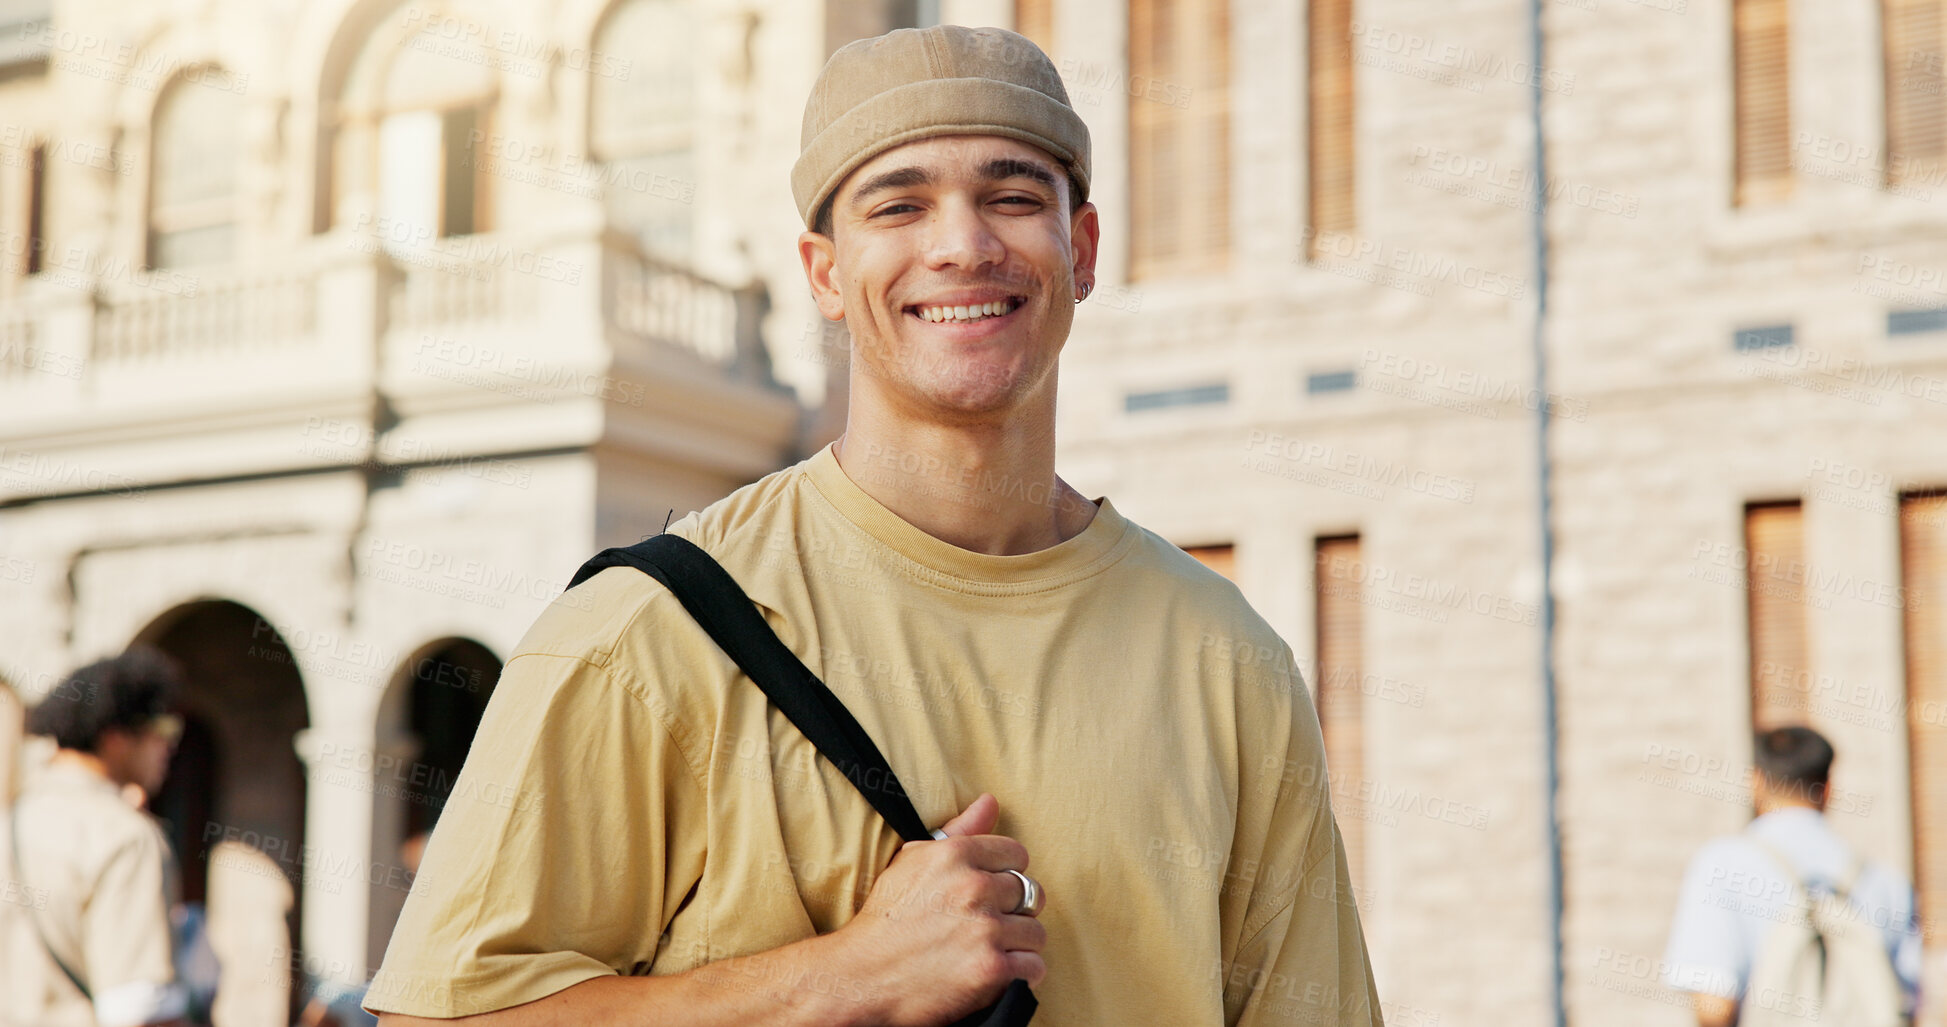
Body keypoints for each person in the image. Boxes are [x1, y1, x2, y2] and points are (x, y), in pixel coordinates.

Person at [367, 24, 1379, 1026]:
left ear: (1081, 248)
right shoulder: (641, 638)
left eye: (1013, 197)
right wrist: (843, 978)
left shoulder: (1226, 658)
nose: (962, 245)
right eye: (899, 205)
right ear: (824, 273)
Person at [1662, 726, 1923, 1025]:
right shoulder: (1886, 882)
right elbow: (1906, 1005)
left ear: (1756, 783)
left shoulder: (1720, 866)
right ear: (1827, 789)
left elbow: (1714, 1005)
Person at [2, 647, 189, 1027]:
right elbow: (141, 1012)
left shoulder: (11, 820)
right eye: (163, 729)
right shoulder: (126, 837)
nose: (169, 746)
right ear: (115, 737)